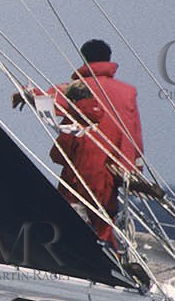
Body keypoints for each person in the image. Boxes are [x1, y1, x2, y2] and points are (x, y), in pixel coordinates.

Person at [15, 39, 144, 169]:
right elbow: (135, 132)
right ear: (108, 59)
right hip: (119, 165)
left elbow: (50, 101)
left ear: (84, 58)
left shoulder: (78, 87)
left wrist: (27, 92)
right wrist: (137, 167)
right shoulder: (128, 92)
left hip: (84, 161)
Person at [48, 83, 136, 244]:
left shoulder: (73, 122)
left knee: (75, 238)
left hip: (77, 189)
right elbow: (120, 155)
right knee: (106, 236)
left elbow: (57, 155)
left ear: (73, 100)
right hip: (106, 190)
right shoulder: (112, 122)